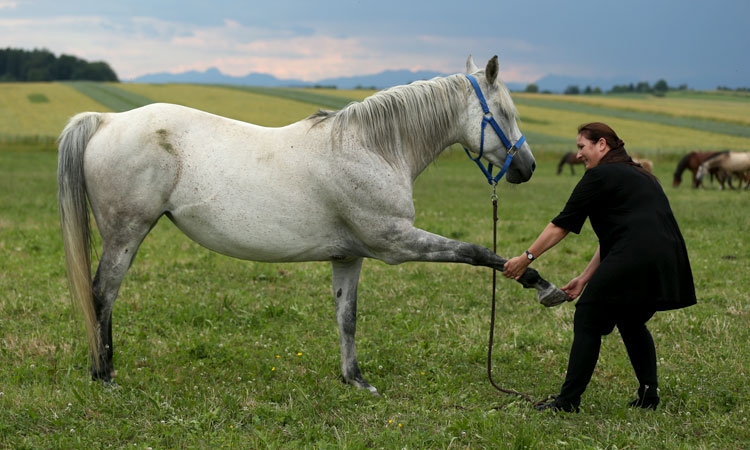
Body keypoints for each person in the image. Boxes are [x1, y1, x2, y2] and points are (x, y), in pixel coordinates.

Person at [503, 122, 696, 412]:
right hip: (666, 255)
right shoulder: (642, 174)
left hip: (637, 253)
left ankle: (568, 402)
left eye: (582, 147)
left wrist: (525, 258)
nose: (578, 154)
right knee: (630, 319)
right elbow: (615, 237)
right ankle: (649, 394)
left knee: (588, 316)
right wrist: (584, 278)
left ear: (602, 145)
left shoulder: (599, 176)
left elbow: (561, 224)